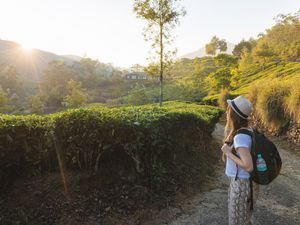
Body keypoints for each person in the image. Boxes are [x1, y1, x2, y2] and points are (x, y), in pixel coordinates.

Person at [221, 95, 259, 225]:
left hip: (242, 184)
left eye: (228, 110)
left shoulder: (240, 137)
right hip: (247, 182)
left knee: (237, 221)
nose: (227, 112)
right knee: (245, 218)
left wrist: (227, 153)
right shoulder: (249, 131)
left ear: (233, 115)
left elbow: (248, 166)